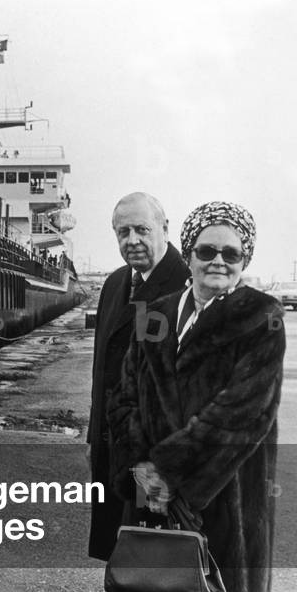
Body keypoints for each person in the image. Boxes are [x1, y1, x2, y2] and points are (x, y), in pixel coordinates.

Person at [107, 201, 285, 592]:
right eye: (206, 251)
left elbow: (241, 414)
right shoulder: (154, 314)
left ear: (246, 259)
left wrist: (169, 474)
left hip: (223, 498)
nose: (218, 262)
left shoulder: (261, 318)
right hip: (149, 496)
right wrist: (139, 469)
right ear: (188, 254)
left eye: (232, 253)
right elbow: (124, 396)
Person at [87, 192, 189, 561]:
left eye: (142, 230)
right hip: (112, 449)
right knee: (122, 556)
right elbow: (103, 368)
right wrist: (95, 440)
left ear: (165, 228)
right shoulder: (115, 284)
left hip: (154, 461)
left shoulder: (187, 284)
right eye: (122, 231)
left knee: (158, 561)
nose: (132, 240)